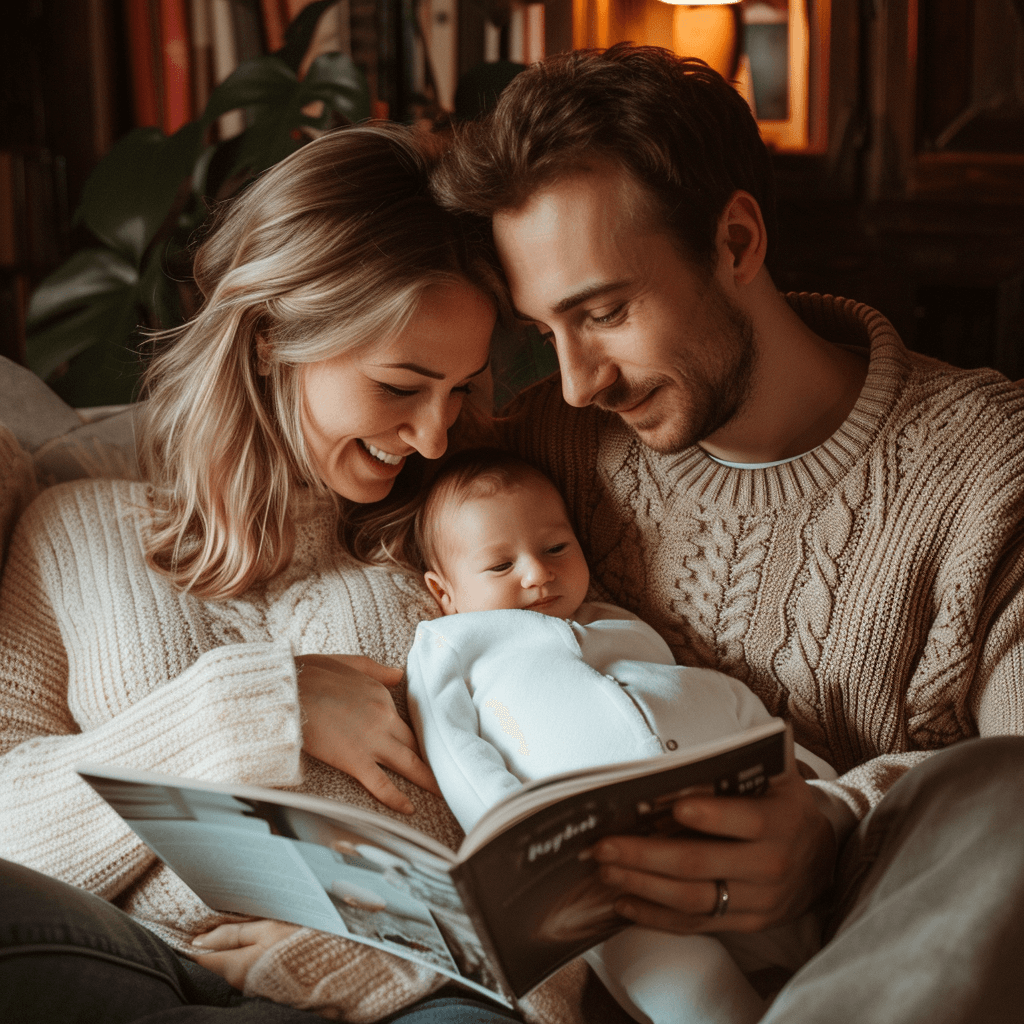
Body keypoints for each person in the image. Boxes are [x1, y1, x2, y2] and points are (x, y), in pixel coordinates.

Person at [430, 44, 1024, 1022]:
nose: (580, 381)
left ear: (736, 240)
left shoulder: (985, 469)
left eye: (606, 312)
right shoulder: (546, 446)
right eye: (547, 333)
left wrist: (840, 819)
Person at [0, 124, 586, 1024]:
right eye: (400, 386)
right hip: (124, 970)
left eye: (460, 389)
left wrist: (384, 956)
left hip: (414, 995)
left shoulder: (468, 546)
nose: (434, 436)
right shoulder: (70, 532)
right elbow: (10, 838)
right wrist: (262, 707)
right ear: (271, 336)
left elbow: (580, 841)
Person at [405, 446, 837, 1024]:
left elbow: (699, 694)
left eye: (556, 548)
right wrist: (517, 836)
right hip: (602, 875)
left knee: (822, 940)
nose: (538, 573)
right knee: (689, 982)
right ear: (444, 593)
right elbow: (454, 750)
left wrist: (809, 776)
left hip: (725, 822)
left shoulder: (618, 622)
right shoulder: (453, 644)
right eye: (500, 566)